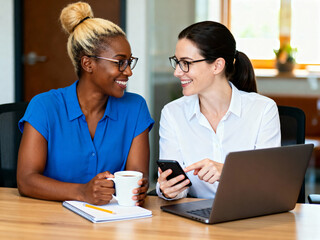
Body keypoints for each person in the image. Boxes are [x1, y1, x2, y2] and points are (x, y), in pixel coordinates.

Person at [17, 1, 154, 206]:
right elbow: (26, 181)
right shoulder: (44, 107)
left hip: (112, 222)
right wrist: (82, 192)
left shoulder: (135, 108)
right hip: (50, 222)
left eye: (129, 62)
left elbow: (136, 176)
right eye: (120, 62)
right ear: (88, 63)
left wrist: (139, 189)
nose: (128, 71)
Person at [157, 21, 280, 200]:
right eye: (177, 62)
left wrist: (229, 172)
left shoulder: (262, 110)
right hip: (195, 218)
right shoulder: (172, 113)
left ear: (217, 66)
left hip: (250, 216)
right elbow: (176, 186)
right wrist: (169, 190)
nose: (177, 72)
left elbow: (269, 182)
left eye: (186, 63)